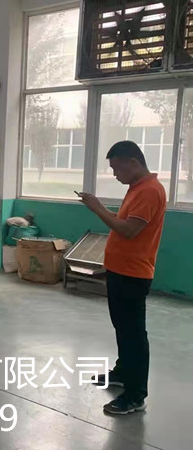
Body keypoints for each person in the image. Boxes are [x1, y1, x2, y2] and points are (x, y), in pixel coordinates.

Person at [78, 141, 166, 415]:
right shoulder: (137, 188)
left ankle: (136, 395)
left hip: (133, 273)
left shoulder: (150, 191)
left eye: (117, 168)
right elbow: (125, 222)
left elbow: (128, 230)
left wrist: (97, 208)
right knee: (123, 327)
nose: (115, 174)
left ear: (133, 162)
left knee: (134, 333)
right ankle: (123, 372)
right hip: (120, 270)